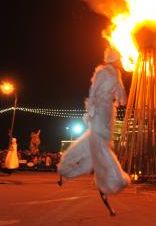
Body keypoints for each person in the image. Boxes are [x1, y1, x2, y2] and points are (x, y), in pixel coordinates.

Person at [58, 47, 130, 215]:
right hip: (102, 111)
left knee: (98, 143)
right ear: (114, 59)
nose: (120, 61)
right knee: (99, 144)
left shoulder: (111, 73)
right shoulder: (106, 72)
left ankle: (68, 167)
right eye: (119, 58)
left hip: (104, 112)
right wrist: (92, 109)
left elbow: (116, 96)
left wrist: (115, 98)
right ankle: (112, 180)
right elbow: (107, 95)